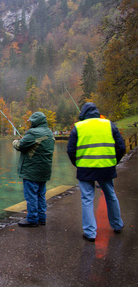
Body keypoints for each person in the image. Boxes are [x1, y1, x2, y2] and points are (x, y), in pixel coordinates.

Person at [67, 102, 125, 242]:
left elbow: (70, 151)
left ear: (83, 114)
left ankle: (90, 233)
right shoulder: (109, 124)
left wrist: (78, 164)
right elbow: (121, 147)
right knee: (110, 195)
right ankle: (117, 225)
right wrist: (112, 162)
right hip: (106, 167)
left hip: (85, 168)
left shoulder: (78, 127)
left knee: (87, 200)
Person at [13, 112, 55, 227]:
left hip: (31, 171)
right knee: (41, 194)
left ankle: (32, 219)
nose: (30, 123)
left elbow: (19, 146)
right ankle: (42, 217)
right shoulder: (49, 133)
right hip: (44, 170)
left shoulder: (33, 133)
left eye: (32, 121)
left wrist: (15, 141)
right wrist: (26, 140)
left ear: (36, 122)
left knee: (31, 195)